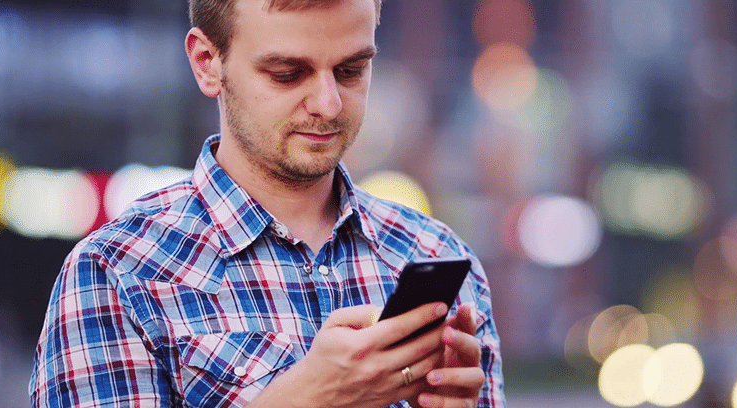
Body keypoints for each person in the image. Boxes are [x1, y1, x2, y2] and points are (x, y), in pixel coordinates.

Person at [29, 0, 506, 407]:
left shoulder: (433, 253)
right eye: (287, 74)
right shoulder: (117, 272)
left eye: (351, 70)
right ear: (206, 62)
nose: (328, 103)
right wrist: (308, 397)